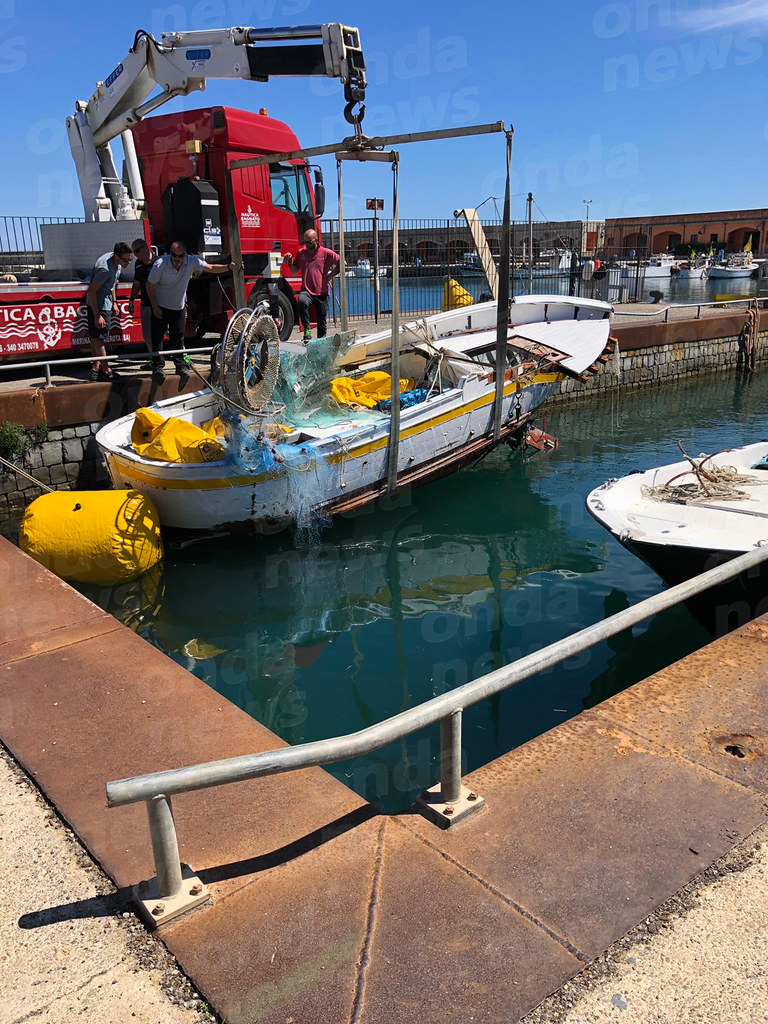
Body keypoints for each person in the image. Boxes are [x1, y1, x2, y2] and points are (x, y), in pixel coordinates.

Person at [146, 241, 234, 382]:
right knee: (157, 337)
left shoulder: (191, 261)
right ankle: (158, 366)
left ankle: (180, 365)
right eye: (174, 255)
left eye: (180, 256)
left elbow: (210, 267)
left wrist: (228, 267)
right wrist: (154, 306)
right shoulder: (160, 264)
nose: (177, 259)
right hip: (161, 305)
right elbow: (149, 284)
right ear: (170, 254)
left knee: (179, 337)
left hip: (178, 306)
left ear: (184, 255)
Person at [86, 241, 133, 381]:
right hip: (99, 305)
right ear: (116, 257)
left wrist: (115, 302)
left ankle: (96, 367)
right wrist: (97, 315)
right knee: (99, 338)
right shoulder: (105, 269)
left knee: (95, 338)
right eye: (125, 260)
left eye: (130, 259)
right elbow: (92, 291)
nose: (128, 263)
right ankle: (106, 370)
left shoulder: (116, 264)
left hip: (106, 302)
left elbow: (112, 284)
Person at [283, 230, 340, 342]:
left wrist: (330, 276)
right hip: (307, 291)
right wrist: (289, 262)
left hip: (322, 292)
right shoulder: (301, 253)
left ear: (316, 241)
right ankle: (307, 331)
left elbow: (342, 262)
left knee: (321, 320)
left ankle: (321, 342)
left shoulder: (326, 253)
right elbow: (294, 271)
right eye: (305, 242)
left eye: (309, 242)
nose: (307, 245)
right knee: (302, 302)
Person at [129, 237, 156, 365]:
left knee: (170, 332)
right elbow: (136, 283)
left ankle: (182, 357)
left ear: (146, 248)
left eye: (137, 251)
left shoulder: (159, 262)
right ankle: (154, 359)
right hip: (145, 304)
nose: (136, 255)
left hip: (161, 303)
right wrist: (131, 300)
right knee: (147, 335)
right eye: (134, 252)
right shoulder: (138, 264)